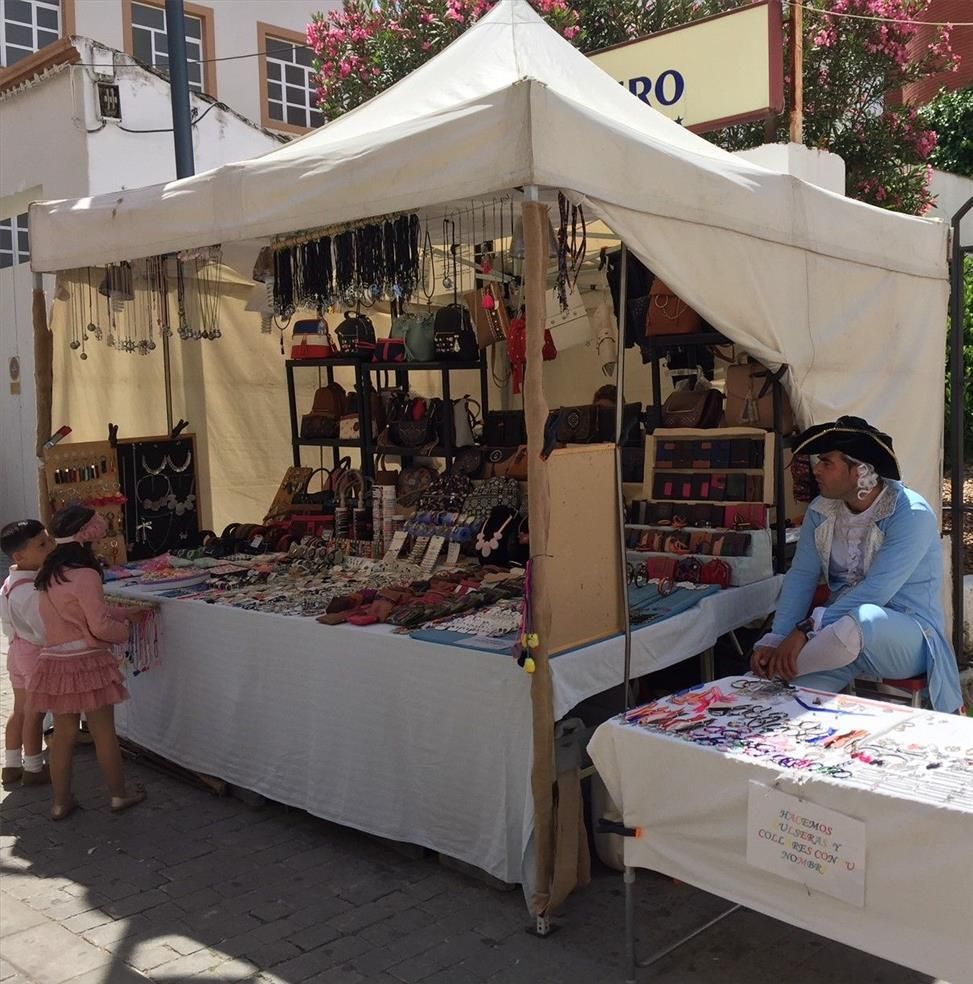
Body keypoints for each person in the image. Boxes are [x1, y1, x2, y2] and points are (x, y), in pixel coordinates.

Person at [752, 416, 963, 714]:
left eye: (827, 462)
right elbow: (801, 577)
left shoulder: (911, 513)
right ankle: (779, 673)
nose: (816, 469)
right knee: (781, 706)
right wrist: (777, 636)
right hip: (835, 641)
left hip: (907, 637)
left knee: (862, 620)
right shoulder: (820, 511)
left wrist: (803, 632)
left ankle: (778, 667)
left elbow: (875, 591)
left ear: (860, 471)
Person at [29, 506, 147, 820]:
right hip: (87, 662)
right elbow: (98, 625)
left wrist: (121, 613)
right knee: (104, 732)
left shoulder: (49, 573)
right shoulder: (86, 574)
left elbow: (76, 611)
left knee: (63, 736)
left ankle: (60, 802)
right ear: (87, 538)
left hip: (55, 661)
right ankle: (118, 795)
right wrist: (126, 629)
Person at [1, 520, 55, 788]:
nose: (50, 546)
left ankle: (11, 765)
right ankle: (34, 767)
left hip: (17, 650)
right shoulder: (31, 592)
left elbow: (7, 623)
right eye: (42, 544)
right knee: (35, 713)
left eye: (49, 540)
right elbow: (44, 631)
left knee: (20, 710)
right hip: (34, 654)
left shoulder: (9, 584)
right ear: (19, 556)